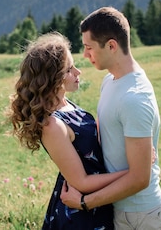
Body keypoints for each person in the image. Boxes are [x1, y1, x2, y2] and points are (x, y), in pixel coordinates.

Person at [60, 7, 161, 230]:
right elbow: (106, 134)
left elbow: (140, 179)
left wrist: (84, 203)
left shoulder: (135, 98)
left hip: (138, 213)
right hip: (115, 203)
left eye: (89, 48)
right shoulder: (111, 81)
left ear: (111, 45)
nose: (85, 54)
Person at [8, 32, 127, 229]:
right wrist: (131, 173)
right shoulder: (52, 125)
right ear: (52, 79)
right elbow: (82, 181)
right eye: (69, 70)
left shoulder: (65, 104)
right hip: (80, 213)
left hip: (99, 198)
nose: (78, 72)